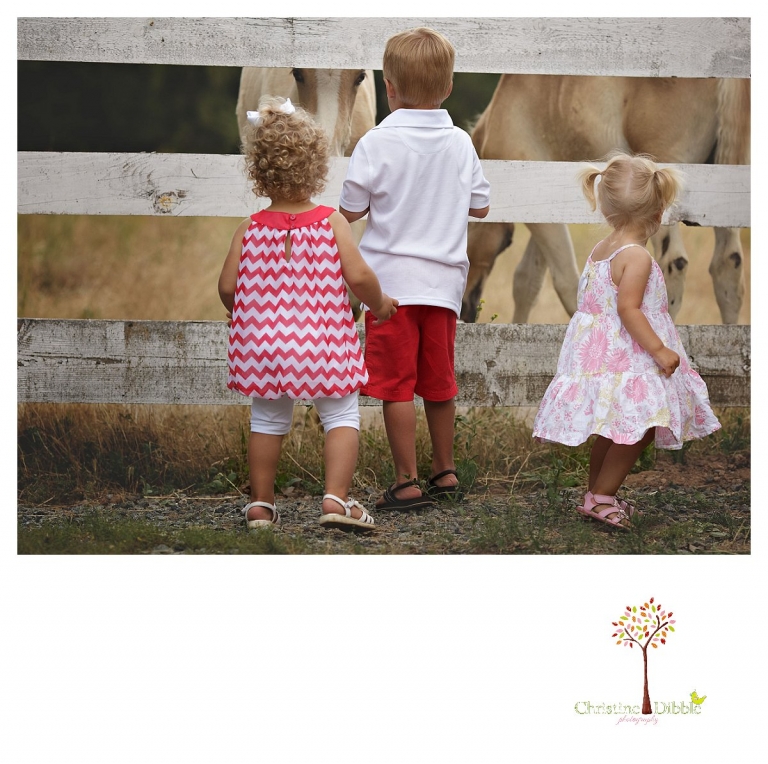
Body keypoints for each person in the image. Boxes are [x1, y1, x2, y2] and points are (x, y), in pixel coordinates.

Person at [218, 96, 398, 532]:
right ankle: (335, 498)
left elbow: (227, 286)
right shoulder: (331, 222)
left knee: (266, 419)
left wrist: (239, 311)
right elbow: (358, 276)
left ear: (259, 171)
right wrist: (381, 304)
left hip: (264, 344)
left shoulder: (250, 227)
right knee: (340, 415)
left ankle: (261, 505)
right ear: (318, 168)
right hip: (323, 342)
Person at [339, 27, 491, 510]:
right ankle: (444, 472)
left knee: (397, 386)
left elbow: (350, 209)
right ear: (448, 87)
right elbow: (481, 207)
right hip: (444, 285)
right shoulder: (461, 143)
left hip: (389, 292)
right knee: (439, 382)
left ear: (389, 87)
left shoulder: (376, 142)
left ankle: (406, 481)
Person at [532, 151, 721, 529]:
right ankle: (602, 496)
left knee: (613, 426)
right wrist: (660, 349)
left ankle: (597, 494)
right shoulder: (636, 257)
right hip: (628, 357)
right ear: (657, 214)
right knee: (643, 425)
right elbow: (629, 309)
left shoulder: (601, 250)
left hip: (602, 356)